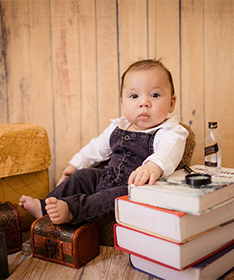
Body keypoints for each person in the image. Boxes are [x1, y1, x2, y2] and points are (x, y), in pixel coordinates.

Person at [19, 59, 189, 225]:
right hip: (107, 178)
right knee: (82, 176)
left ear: (171, 103)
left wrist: (152, 167)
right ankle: (44, 206)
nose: (144, 103)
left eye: (155, 95)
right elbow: (96, 148)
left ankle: (72, 211)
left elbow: (168, 151)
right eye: (134, 96)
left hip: (134, 188)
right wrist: (74, 165)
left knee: (112, 198)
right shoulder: (119, 126)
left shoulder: (169, 131)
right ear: (123, 102)